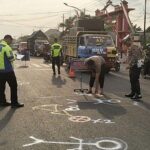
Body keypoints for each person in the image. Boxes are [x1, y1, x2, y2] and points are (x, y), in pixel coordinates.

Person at [0, 35, 24, 108]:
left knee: (1, 87)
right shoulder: (6, 47)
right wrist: (16, 56)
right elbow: (11, 59)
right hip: (8, 71)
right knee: (13, 86)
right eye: (11, 40)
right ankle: (14, 103)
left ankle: (2, 102)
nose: (11, 42)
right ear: (7, 39)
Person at [122, 35, 142, 100]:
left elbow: (134, 57)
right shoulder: (130, 48)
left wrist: (129, 65)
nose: (123, 45)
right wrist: (126, 61)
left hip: (136, 65)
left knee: (135, 79)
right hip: (133, 65)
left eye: (124, 44)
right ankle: (133, 92)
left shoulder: (134, 47)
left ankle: (138, 94)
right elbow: (130, 57)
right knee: (132, 79)